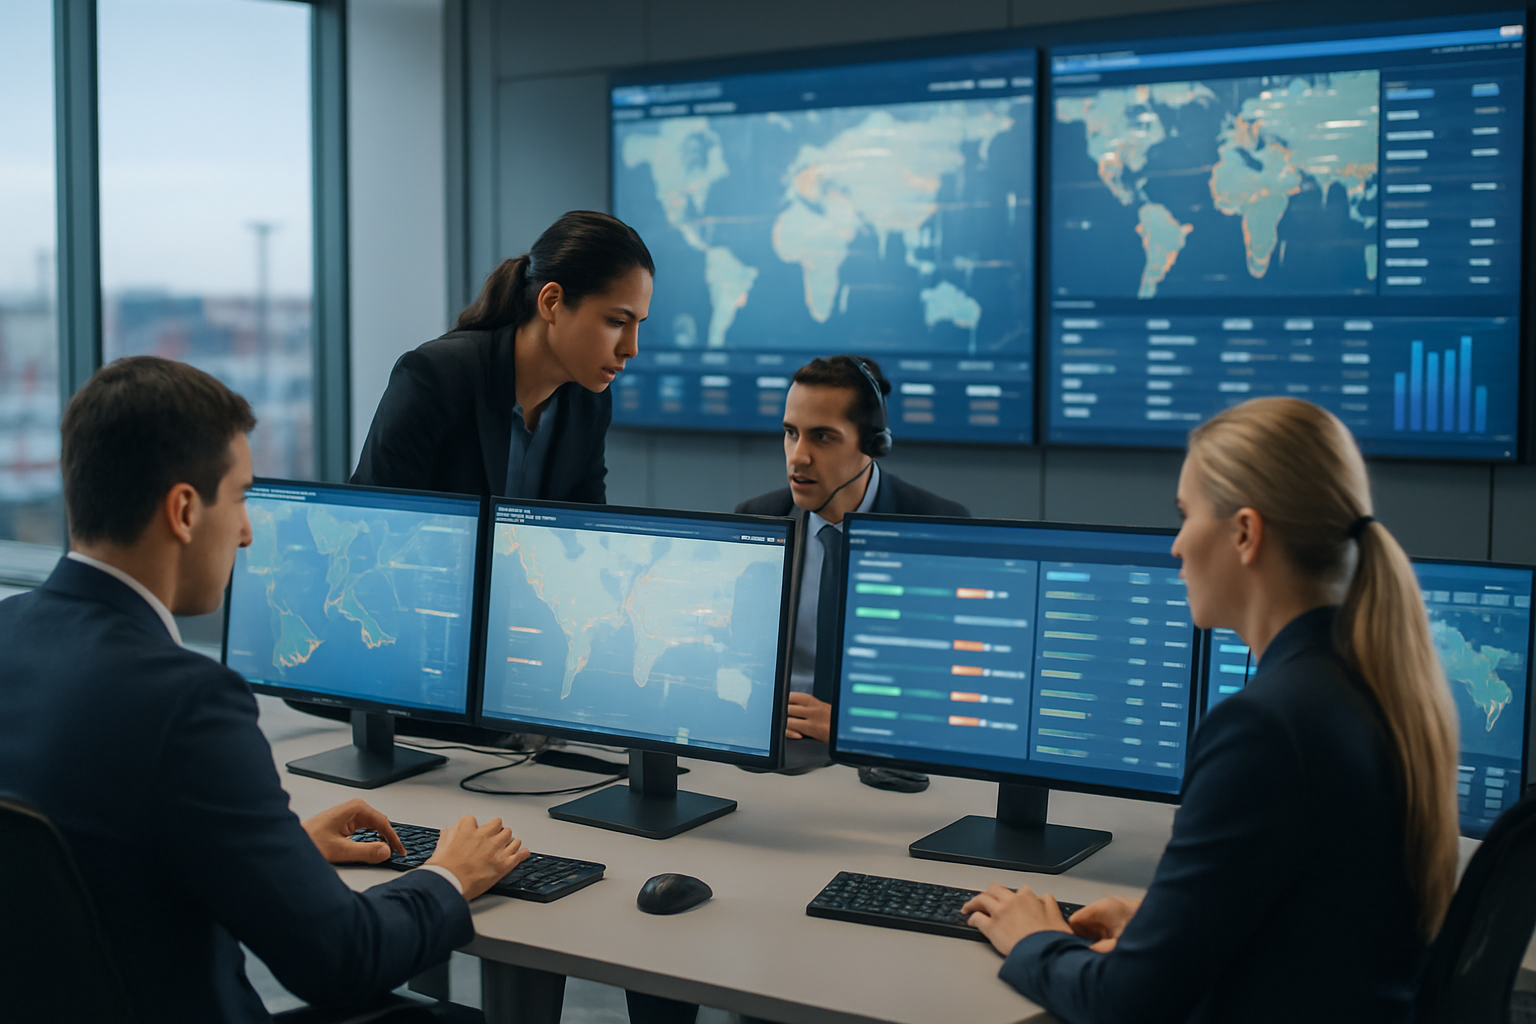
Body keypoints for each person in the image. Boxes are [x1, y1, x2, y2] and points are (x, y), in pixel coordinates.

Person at [0, 357, 529, 1023]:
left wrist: (286, 854)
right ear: (185, 510)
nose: (249, 532)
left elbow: (93, 863)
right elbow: (341, 960)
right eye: (242, 497)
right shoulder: (188, 700)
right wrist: (451, 873)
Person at [962, 397, 1460, 1024]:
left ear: (1245, 533)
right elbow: (1326, 928)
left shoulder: (1267, 726)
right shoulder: (1372, 686)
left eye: (1185, 515)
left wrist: (1031, 939)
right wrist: (1163, 929)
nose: (1175, 546)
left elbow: (1125, 1003)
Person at [735, 355, 971, 744]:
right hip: (776, 745)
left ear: (873, 444)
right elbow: (735, 663)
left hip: (885, 750)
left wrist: (857, 720)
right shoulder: (759, 519)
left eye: (822, 437)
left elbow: (955, 684)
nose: (798, 456)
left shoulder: (938, 528)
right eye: (791, 433)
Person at [353, 209, 654, 502]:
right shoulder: (435, 377)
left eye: (638, 325)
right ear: (551, 303)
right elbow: (374, 523)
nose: (632, 348)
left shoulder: (590, 402)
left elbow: (581, 532)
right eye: (617, 322)